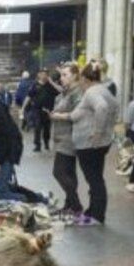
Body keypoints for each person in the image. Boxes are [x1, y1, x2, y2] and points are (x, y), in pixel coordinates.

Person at [53, 61, 116, 225]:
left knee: (95, 180)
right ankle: (92, 212)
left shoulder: (92, 92)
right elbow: (78, 114)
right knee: (95, 180)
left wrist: (98, 132)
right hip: (97, 142)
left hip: (90, 144)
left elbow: (101, 108)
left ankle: (96, 216)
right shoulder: (104, 90)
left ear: (83, 78)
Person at [51, 62, 85, 217]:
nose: (61, 78)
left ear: (75, 76)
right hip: (60, 136)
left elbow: (79, 113)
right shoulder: (65, 92)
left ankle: (76, 204)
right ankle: (69, 204)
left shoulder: (78, 93)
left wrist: (59, 116)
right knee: (69, 173)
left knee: (58, 172)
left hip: (69, 138)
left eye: (65, 75)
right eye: (61, 75)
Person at [28, 69, 59, 153]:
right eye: (42, 74)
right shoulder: (35, 85)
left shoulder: (50, 85)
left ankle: (46, 143)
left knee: (47, 128)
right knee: (37, 127)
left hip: (48, 110)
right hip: (37, 110)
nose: (43, 76)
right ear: (39, 75)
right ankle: (37, 145)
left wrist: (52, 82)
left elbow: (58, 92)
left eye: (45, 74)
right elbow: (30, 95)